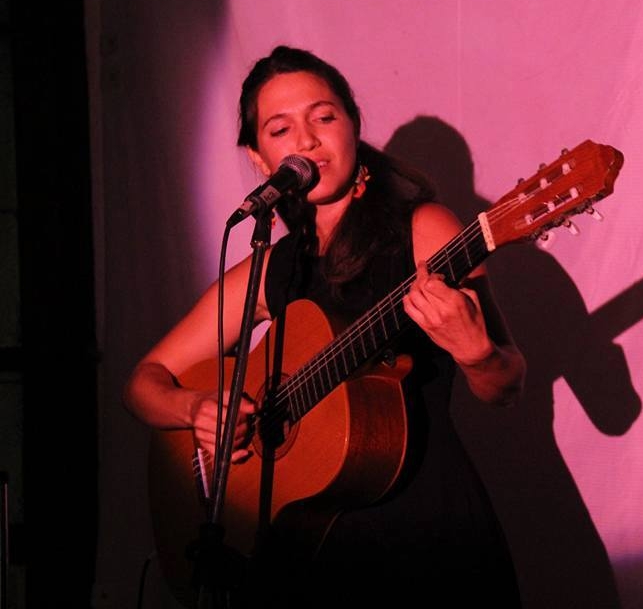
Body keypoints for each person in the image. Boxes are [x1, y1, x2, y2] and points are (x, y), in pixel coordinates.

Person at [123, 45, 526, 607]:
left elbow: (506, 384)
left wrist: (477, 354)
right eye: (280, 129)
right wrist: (195, 409)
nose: (307, 141)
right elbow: (144, 382)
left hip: (422, 538)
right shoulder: (274, 265)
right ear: (259, 158)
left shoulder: (426, 229)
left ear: (353, 125)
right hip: (302, 555)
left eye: (324, 117)